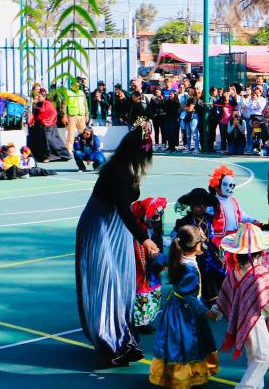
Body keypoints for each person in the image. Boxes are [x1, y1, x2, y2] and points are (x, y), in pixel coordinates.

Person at [75, 120, 157, 367]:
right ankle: (109, 342)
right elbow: (123, 209)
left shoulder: (128, 168)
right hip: (100, 227)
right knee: (106, 281)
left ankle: (123, 337)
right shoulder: (120, 171)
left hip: (116, 229)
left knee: (123, 280)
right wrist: (145, 239)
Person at [213, 224, 269, 389]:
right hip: (254, 320)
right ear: (261, 251)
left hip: (241, 321)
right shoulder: (260, 274)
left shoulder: (234, 271)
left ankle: (258, 387)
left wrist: (217, 311)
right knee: (264, 356)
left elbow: (224, 294)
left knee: (254, 355)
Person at [148, 225, 220, 389]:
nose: (204, 245)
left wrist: (154, 254)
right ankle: (182, 378)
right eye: (202, 242)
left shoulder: (177, 257)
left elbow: (162, 259)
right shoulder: (189, 270)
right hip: (185, 313)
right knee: (187, 342)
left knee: (175, 342)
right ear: (194, 246)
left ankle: (176, 375)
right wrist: (207, 312)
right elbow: (190, 297)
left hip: (175, 308)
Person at [174, 188, 226, 306]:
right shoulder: (185, 221)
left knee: (215, 273)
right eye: (198, 205)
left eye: (204, 204)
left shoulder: (209, 217)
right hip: (193, 252)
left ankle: (213, 299)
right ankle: (196, 300)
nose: (202, 207)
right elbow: (179, 237)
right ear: (192, 206)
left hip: (209, 251)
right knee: (198, 275)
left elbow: (215, 232)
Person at [131, 197, 167, 332]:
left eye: (158, 217)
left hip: (152, 267)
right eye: (154, 216)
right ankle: (137, 322)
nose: (156, 220)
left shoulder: (155, 228)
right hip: (140, 267)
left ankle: (145, 322)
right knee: (141, 293)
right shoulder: (136, 230)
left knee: (153, 291)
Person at [59, 79, 90, 152]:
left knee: (84, 133)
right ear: (72, 85)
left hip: (81, 116)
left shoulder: (82, 93)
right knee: (71, 134)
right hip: (71, 116)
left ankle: (86, 148)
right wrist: (64, 116)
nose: (77, 86)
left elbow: (85, 105)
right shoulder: (68, 93)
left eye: (78, 84)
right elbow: (64, 105)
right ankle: (69, 151)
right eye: (76, 84)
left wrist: (87, 115)